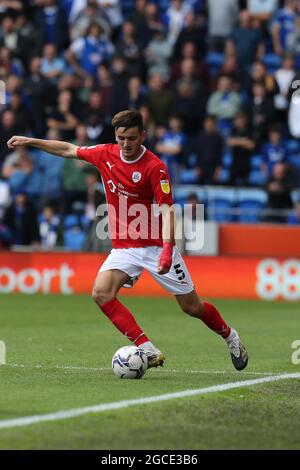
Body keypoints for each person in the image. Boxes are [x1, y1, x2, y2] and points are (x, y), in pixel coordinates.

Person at [7, 110, 248, 371]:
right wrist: (31, 141)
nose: (126, 144)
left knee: (192, 307)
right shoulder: (105, 154)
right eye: (121, 138)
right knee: (101, 293)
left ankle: (230, 337)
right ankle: (147, 348)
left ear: (142, 135)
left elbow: (168, 209)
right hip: (125, 247)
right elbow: (68, 149)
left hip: (156, 247)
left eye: (131, 138)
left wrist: (168, 248)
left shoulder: (155, 167)